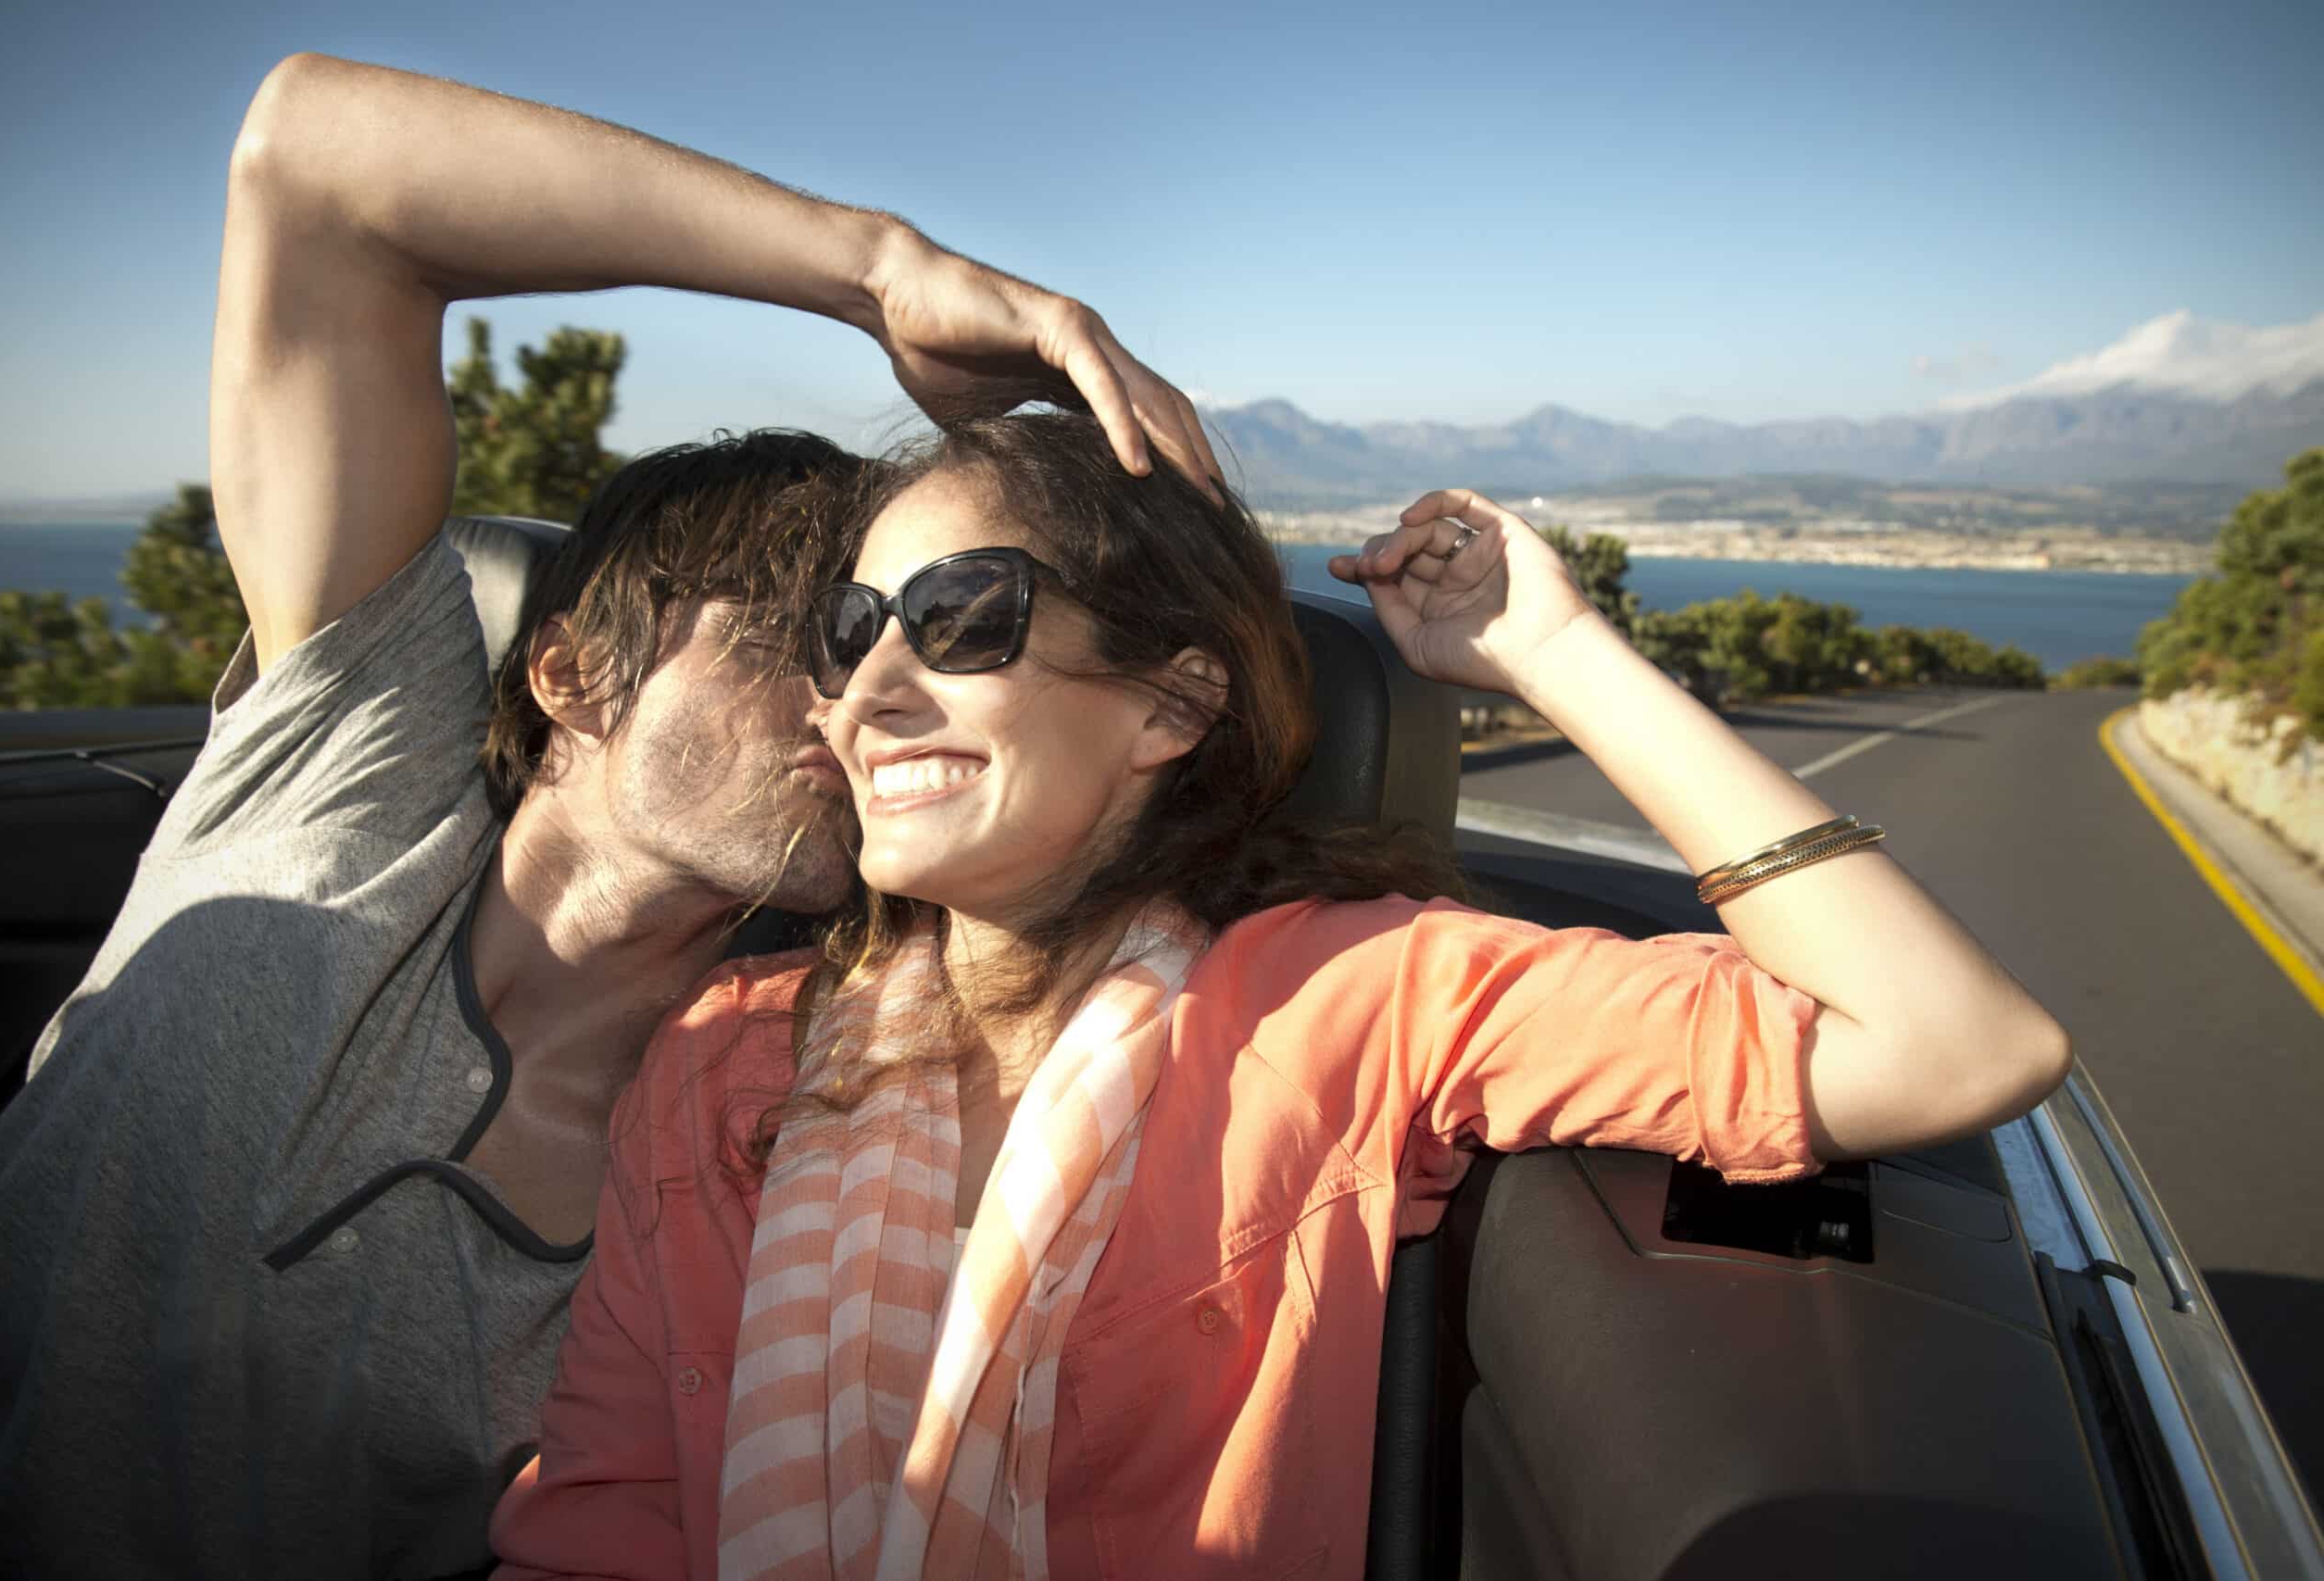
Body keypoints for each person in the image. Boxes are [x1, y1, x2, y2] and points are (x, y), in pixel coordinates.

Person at [0, 55, 1219, 1581]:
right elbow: (315, 161)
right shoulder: (350, 760)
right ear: (570, 671)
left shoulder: (782, 1126)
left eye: (889, 639)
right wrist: (884, 270)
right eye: (796, 636)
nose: (853, 703)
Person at [488, 410, 2076, 1579]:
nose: (875, 690)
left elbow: (1952, 1044)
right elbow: (602, 1521)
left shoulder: (1358, 997)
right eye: (855, 633)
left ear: (1171, 704)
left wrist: (1555, 649)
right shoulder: (721, 1063)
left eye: (964, 617)